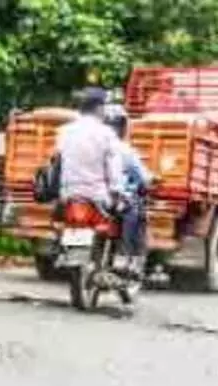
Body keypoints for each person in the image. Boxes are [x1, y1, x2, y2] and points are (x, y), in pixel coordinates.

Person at [52, 88, 142, 274]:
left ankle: (59, 249)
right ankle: (122, 257)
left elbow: (57, 162)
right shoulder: (106, 134)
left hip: (67, 194)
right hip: (97, 196)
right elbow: (114, 169)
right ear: (99, 108)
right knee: (131, 209)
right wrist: (118, 193)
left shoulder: (64, 132)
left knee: (59, 219)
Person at [102, 103, 153, 272]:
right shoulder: (125, 150)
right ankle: (126, 256)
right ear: (123, 127)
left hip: (91, 196)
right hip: (114, 199)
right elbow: (143, 177)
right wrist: (150, 181)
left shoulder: (92, 144)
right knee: (137, 212)